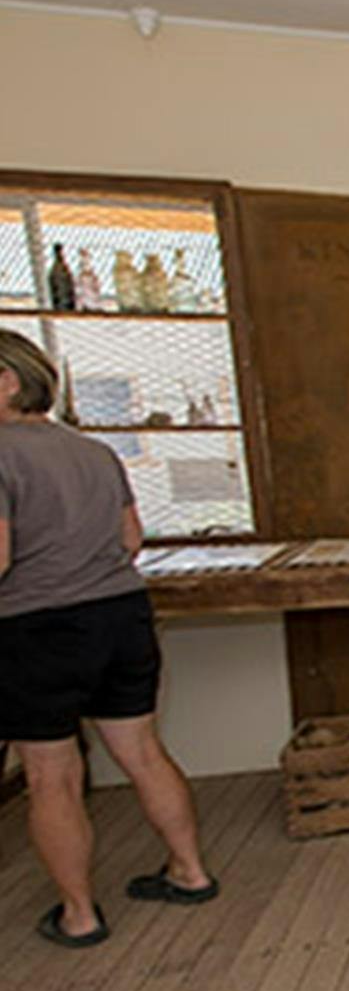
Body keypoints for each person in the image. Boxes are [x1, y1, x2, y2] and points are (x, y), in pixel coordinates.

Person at [0, 331, 215, 948]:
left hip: (37, 627)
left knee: (52, 776)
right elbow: (130, 540)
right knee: (142, 750)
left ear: (8, 381)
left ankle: (79, 915)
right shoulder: (94, 451)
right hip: (121, 616)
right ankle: (190, 871)